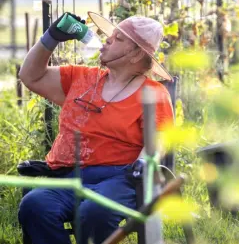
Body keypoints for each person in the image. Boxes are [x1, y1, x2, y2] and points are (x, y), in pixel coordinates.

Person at [17, 12, 174, 244]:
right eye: (111, 35)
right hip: (70, 176)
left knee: (94, 212)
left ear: (136, 54)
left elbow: (158, 140)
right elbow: (30, 77)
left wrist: (144, 162)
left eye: (118, 39)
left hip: (120, 178)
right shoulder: (80, 78)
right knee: (35, 205)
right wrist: (51, 37)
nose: (108, 40)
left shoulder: (152, 93)